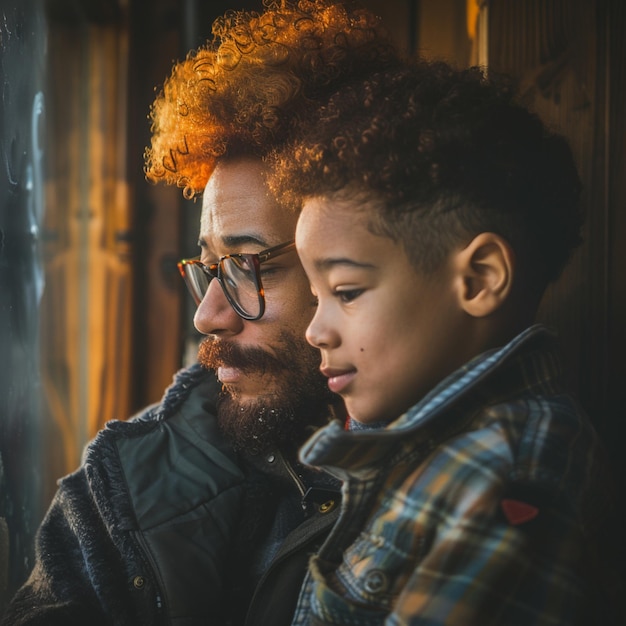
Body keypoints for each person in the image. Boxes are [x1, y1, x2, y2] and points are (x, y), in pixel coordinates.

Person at [1, 2, 398, 624]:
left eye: (249, 264)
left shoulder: (465, 485)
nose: (208, 317)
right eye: (210, 266)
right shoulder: (123, 486)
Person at [271, 60, 625, 624]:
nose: (316, 330)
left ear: (479, 278)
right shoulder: (427, 447)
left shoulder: (510, 474)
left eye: (347, 291)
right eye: (316, 298)